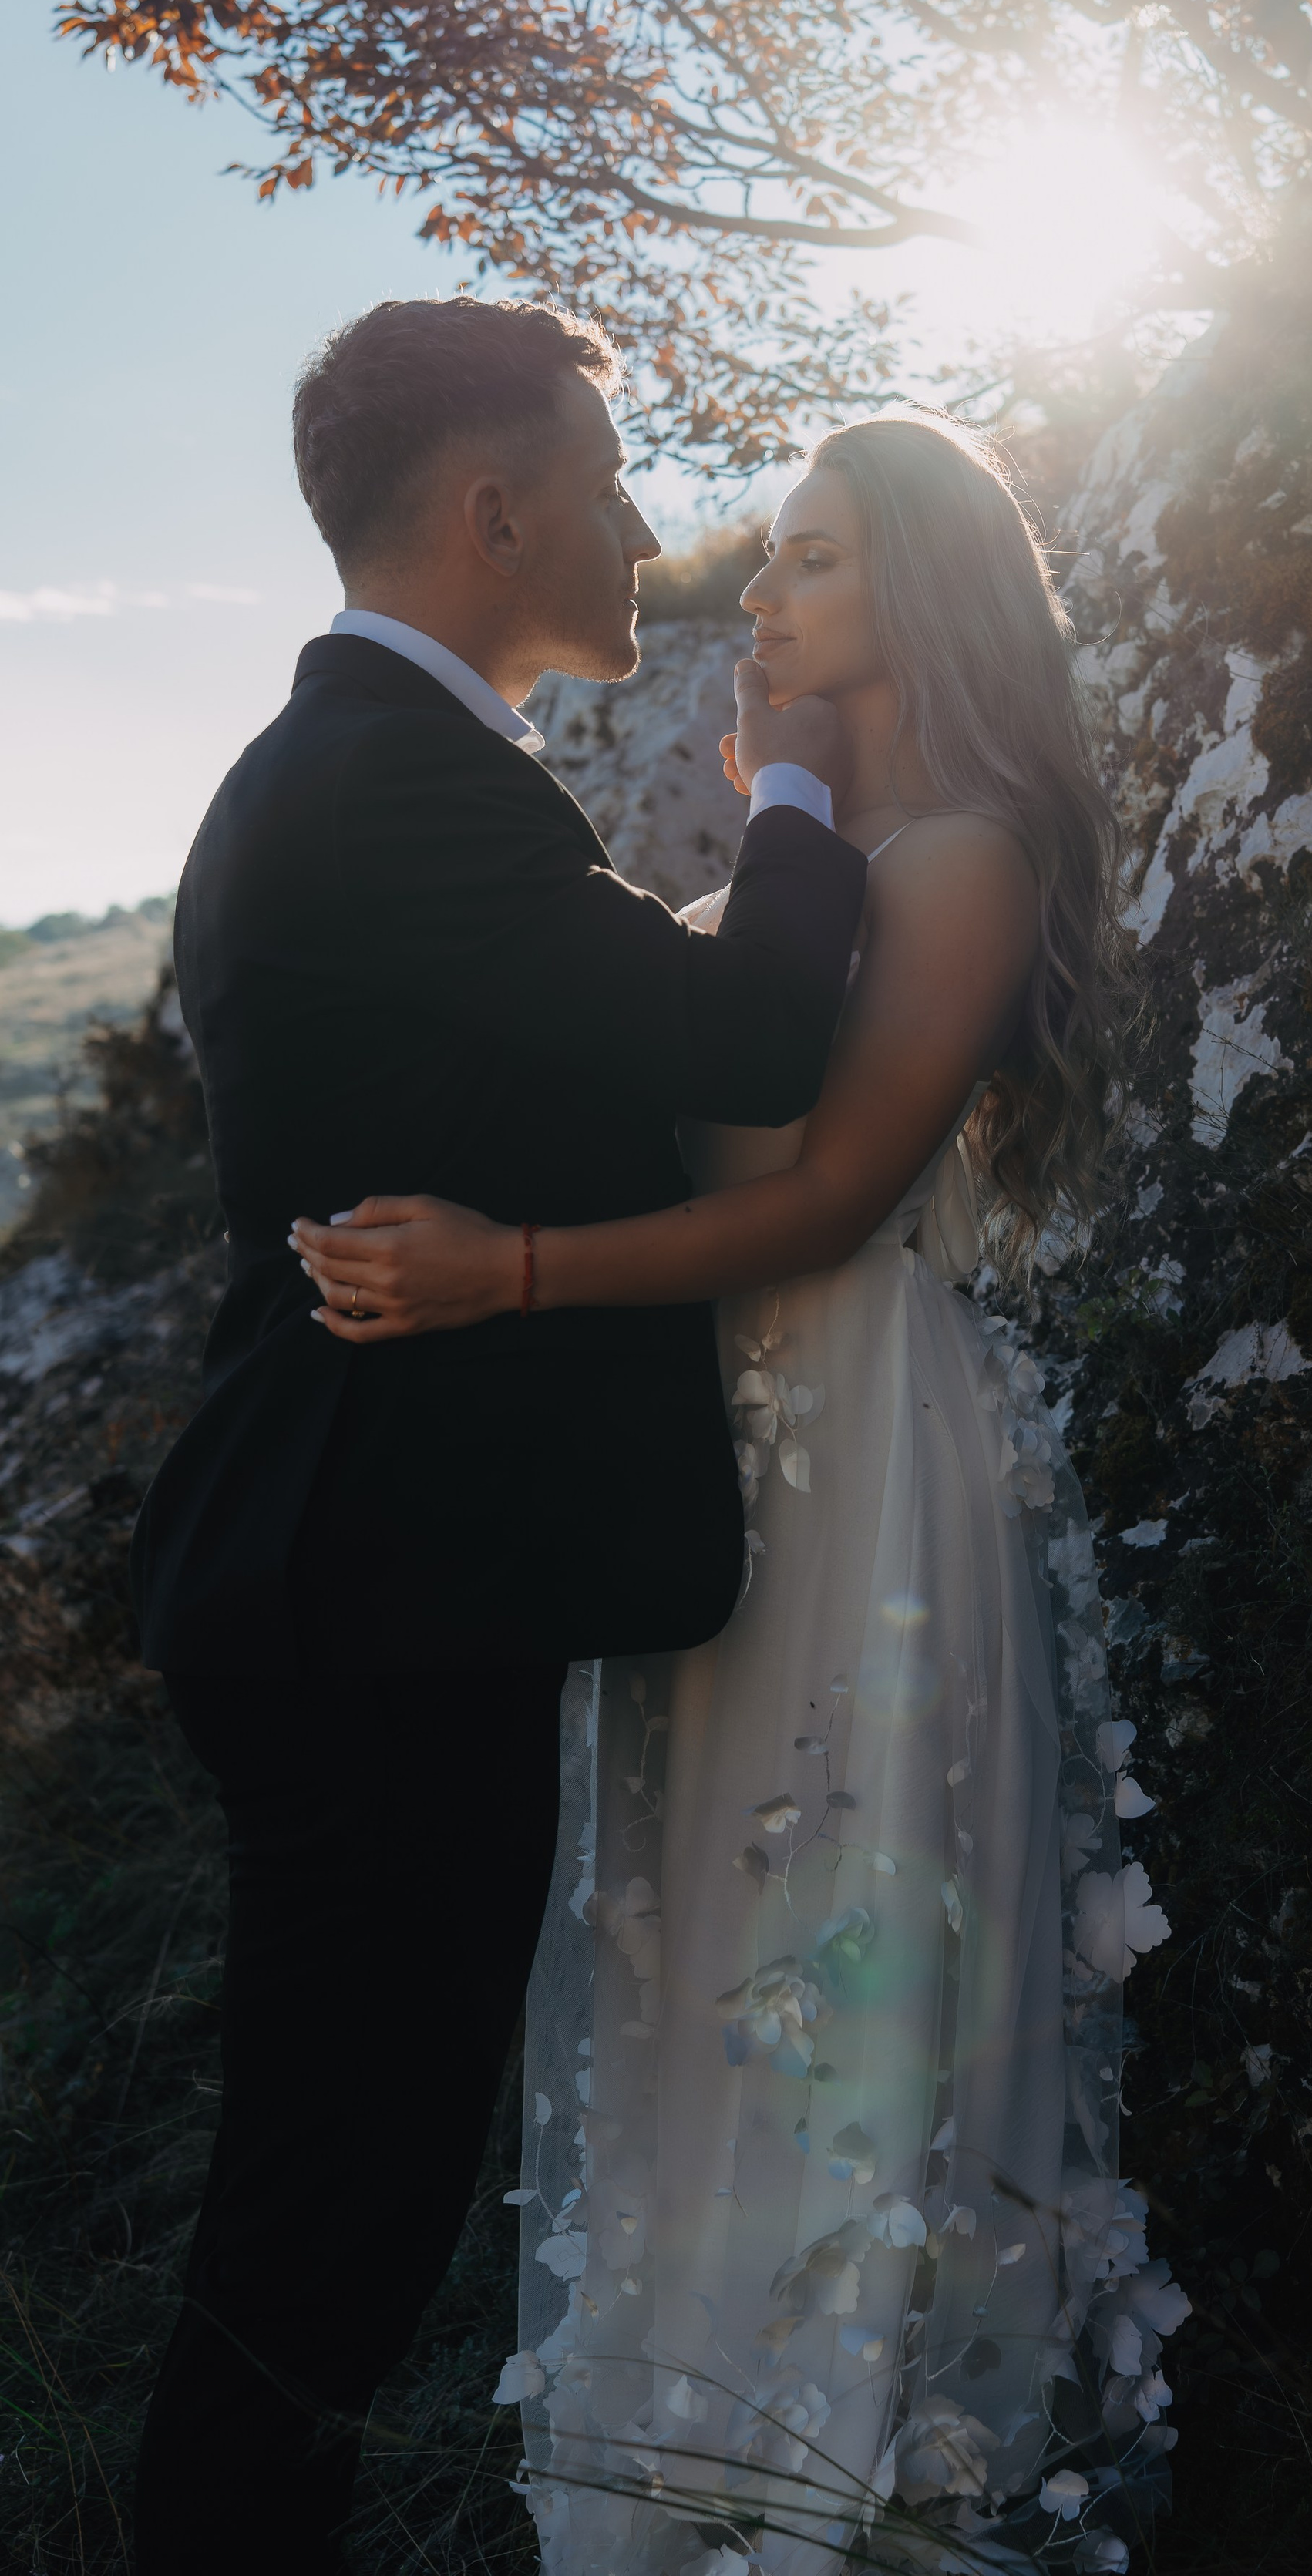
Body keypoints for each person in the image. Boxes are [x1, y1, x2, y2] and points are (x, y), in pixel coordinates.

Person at [291, 417, 1186, 2574]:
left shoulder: (963, 849)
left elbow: (834, 1195)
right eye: (767, 563)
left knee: (858, 1935)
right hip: (726, 1479)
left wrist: (503, 1274)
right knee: (700, 1948)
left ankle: (870, 2466)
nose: (760, 603)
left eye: (811, 562)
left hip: (871, 1450)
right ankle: (693, 2456)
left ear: (925, 595)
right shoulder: (800, 861)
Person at [131, 296, 870, 2576]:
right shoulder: (388, 786)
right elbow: (748, 1036)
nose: (653, 529)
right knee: (333, 2212)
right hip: (365, 1587)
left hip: (361, 1567)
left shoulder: (359, 769)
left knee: (344, 2187)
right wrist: (799, 785)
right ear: (495, 510)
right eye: (615, 476)